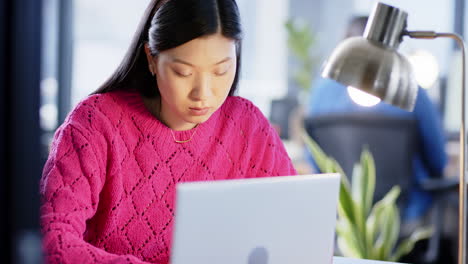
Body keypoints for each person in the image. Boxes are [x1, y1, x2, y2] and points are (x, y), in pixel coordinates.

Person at [39, 0, 297, 263]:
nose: (203, 94)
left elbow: (294, 227)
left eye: (221, 70)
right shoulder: (95, 123)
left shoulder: (248, 126)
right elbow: (52, 240)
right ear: (151, 58)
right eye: (183, 72)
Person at [306, 16, 447, 221]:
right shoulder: (410, 91)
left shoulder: (320, 92)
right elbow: (437, 162)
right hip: (403, 213)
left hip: (342, 218)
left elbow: (315, 163)